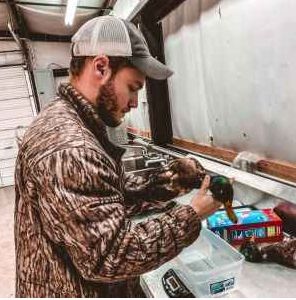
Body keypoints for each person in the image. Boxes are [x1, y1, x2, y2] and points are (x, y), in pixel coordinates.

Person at [14, 16, 221, 297]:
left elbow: (103, 199)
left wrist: (170, 181)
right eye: (133, 87)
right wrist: (192, 214)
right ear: (101, 67)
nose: (135, 102)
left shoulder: (68, 120)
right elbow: (110, 256)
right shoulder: (71, 147)